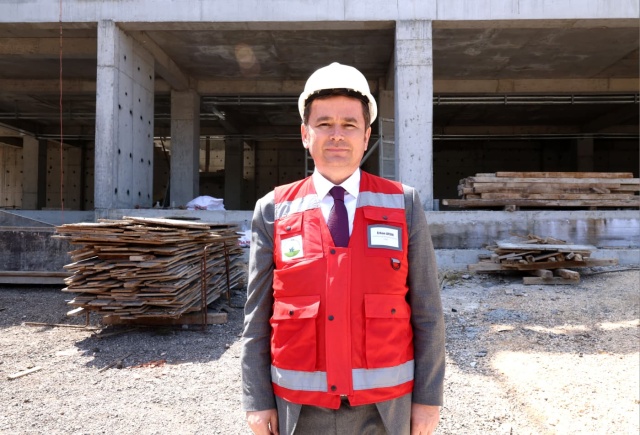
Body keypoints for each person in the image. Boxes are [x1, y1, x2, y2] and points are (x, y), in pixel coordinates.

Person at [241, 62, 445, 435]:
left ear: (366, 136)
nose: (337, 135)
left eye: (349, 124)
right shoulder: (273, 209)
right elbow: (257, 315)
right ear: (305, 134)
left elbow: (428, 312)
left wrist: (429, 399)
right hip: (299, 409)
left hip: (385, 409)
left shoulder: (403, 204)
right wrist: (257, 400)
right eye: (324, 124)